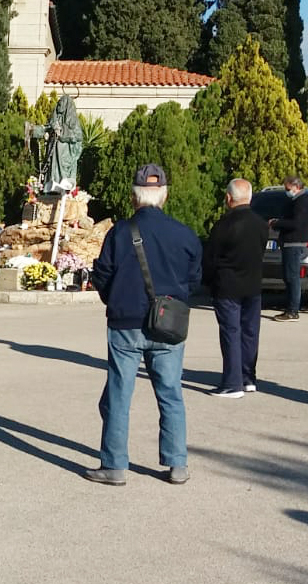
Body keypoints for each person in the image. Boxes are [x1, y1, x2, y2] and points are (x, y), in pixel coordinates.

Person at [85, 164, 201, 487]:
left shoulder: (120, 233)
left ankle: (114, 465)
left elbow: (102, 276)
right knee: (171, 393)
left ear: (134, 197)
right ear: (164, 194)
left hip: (125, 323)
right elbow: (194, 279)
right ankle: (177, 463)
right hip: (168, 324)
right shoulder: (185, 234)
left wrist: (116, 300)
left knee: (119, 394)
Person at [203, 179, 269, 397]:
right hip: (253, 285)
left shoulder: (224, 225)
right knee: (250, 333)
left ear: (229, 198)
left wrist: (208, 281)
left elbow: (211, 257)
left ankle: (232, 383)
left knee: (231, 333)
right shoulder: (260, 223)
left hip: (227, 286)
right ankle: (248, 377)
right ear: (249, 197)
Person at [269, 175, 308, 322]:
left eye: (288, 189)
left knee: (292, 277)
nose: (287, 191)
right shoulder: (295, 200)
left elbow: (296, 223)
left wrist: (277, 222)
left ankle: (292, 311)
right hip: (290, 243)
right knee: (289, 276)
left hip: (295, 243)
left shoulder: (302, 201)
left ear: (296, 187)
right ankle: (292, 307)